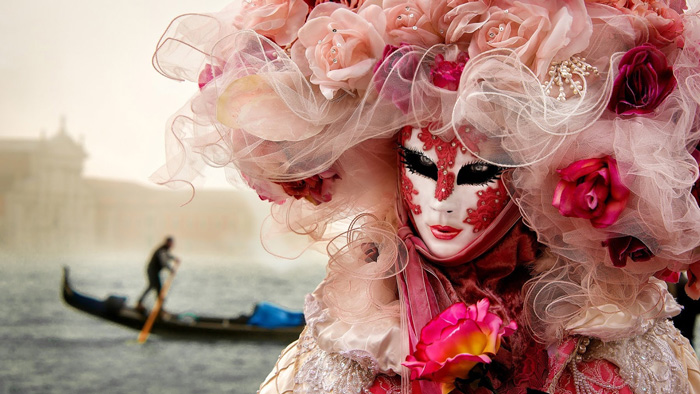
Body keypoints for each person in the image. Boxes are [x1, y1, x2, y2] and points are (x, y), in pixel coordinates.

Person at [152, 1, 700, 393]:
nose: (441, 202)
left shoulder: (606, 344)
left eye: (476, 175)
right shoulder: (353, 336)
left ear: (526, 179)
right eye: (418, 166)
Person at [136, 236, 179, 312]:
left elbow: (168, 256)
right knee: (153, 286)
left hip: (154, 271)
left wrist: (174, 259)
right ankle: (141, 303)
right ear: (168, 242)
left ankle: (159, 307)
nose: (172, 245)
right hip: (152, 271)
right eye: (171, 243)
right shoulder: (162, 250)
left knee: (157, 287)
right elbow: (163, 262)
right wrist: (170, 269)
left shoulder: (164, 250)